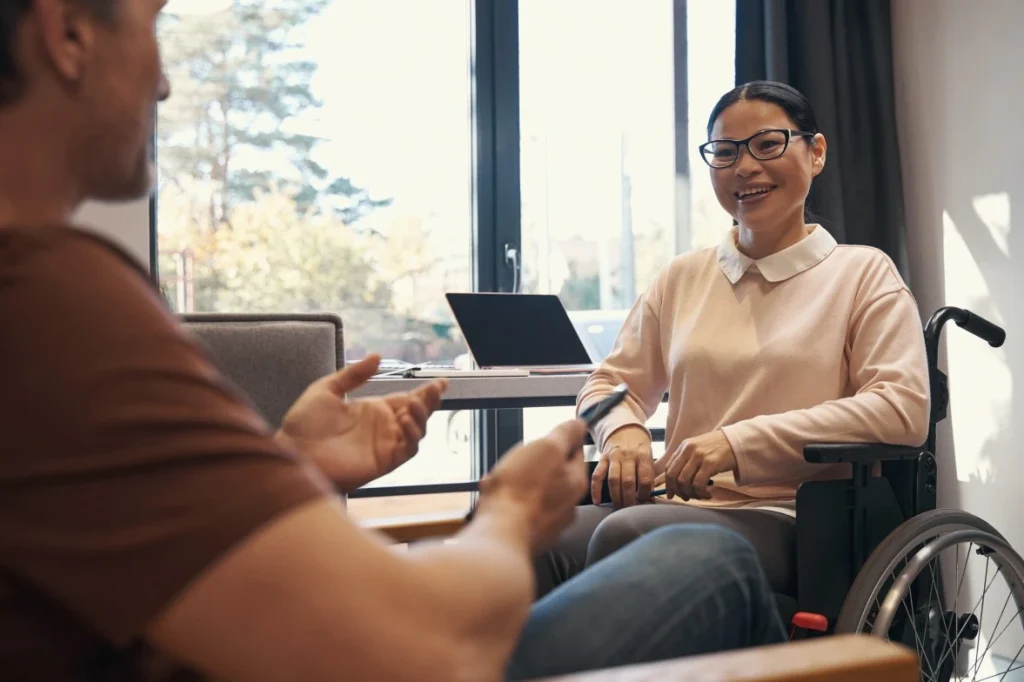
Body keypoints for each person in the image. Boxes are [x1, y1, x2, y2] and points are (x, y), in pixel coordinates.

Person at [0, 2, 786, 681]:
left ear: (814, 154)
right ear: (67, 33)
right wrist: (506, 512)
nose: (166, 81)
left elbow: (157, 541)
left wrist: (295, 464)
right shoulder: (53, 300)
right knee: (708, 562)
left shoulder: (49, 301)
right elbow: (423, 647)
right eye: (154, 24)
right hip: (399, 657)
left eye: (768, 146)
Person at [535, 80, 931, 599]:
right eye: (724, 153)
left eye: (767, 145)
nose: (744, 167)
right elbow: (610, 383)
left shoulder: (862, 273)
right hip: (677, 506)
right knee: (526, 531)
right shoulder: (683, 277)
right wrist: (622, 431)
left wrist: (737, 443)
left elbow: (901, 408)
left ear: (815, 153)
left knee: (625, 533)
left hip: (797, 519)